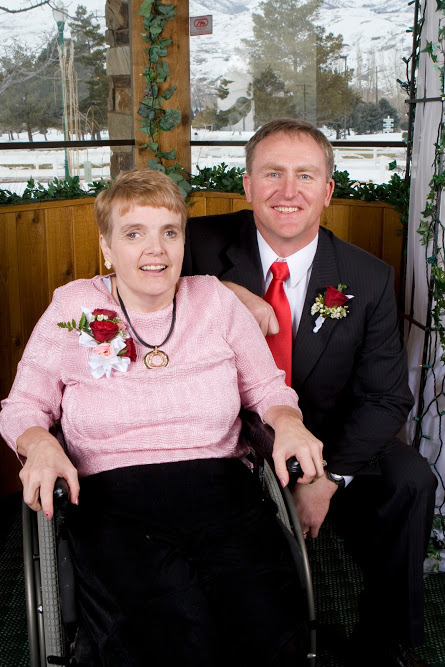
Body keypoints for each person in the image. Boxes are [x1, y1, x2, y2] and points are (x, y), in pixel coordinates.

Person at [0, 168, 326, 667]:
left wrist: (288, 422)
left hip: (220, 489)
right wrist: (41, 444)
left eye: (169, 232)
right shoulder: (74, 306)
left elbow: (266, 387)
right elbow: (23, 405)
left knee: (263, 622)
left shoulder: (214, 300)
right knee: (170, 632)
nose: (156, 250)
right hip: (112, 497)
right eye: (134, 234)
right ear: (107, 247)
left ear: (182, 241)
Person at [182, 118, 437, 667]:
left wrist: (329, 477)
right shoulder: (194, 246)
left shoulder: (367, 277)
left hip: (326, 437)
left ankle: (386, 641)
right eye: (272, 173)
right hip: (219, 437)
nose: (288, 190)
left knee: (411, 480)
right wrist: (216, 290)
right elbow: (131, 288)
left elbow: (387, 397)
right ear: (247, 185)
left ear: (327, 190)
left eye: (305, 175)